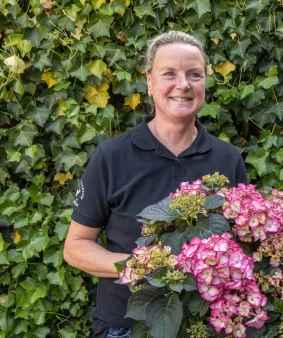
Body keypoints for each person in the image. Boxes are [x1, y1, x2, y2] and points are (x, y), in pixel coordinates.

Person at [63, 31, 248, 338]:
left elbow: (243, 247)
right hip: (125, 327)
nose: (183, 84)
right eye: (169, 74)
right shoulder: (112, 156)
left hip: (207, 328)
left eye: (194, 74)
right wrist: (143, 265)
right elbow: (75, 247)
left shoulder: (228, 160)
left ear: (204, 83)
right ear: (149, 82)